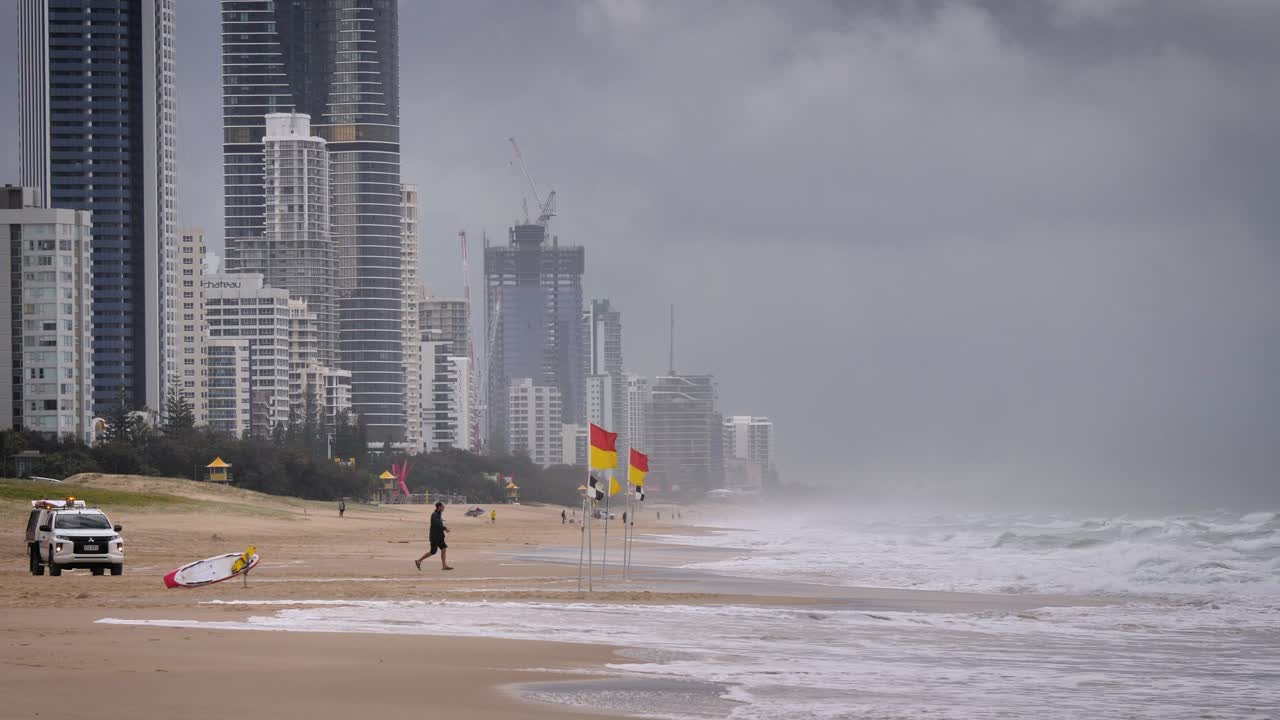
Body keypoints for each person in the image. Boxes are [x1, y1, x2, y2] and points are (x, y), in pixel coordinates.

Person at [415, 502, 453, 571]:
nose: (444, 507)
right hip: (434, 537)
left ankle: (444, 566)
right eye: (442, 506)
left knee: (444, 549)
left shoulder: (438, 514)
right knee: (433, 552)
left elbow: (438, 524)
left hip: (440, 536)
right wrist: (445, 528)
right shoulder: (434, 515)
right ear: (439, 507)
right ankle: (419, 561)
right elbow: (437, 524)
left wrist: (443, 530)